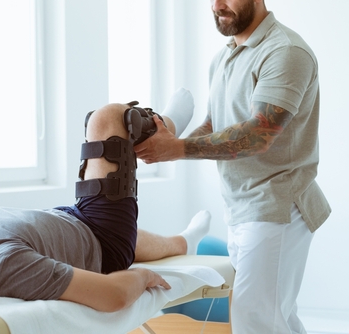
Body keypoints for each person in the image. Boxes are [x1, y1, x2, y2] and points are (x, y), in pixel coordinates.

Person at [0, 100, 210, 313]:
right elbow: (112, 297)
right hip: (102, 240)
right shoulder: (6, 266)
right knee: (106, 120)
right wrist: (142, 277)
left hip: (70, 223)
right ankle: (169, 127)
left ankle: (184, 241)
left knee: (147, 239)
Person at [134, 0, 331, 333]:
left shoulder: (286, 52)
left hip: (277, 205)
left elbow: (259, 134)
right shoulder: (224, 58)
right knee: (274, 318)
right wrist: (165, 145)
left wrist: (177, 148)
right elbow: (214, 124)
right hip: (243, 207)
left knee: (256, 321)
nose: (217, 5)